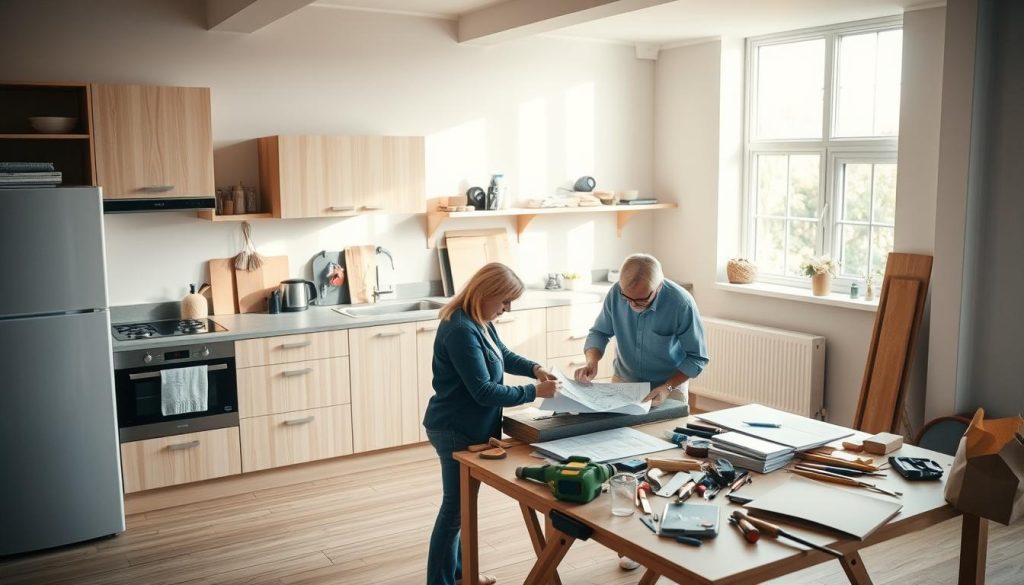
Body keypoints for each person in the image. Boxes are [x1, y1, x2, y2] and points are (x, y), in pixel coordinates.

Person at [423, 263, 559, 585]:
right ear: (486, 294)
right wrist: (535, 391)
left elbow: (504, 354)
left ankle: (460, 576)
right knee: (454, 511)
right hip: (454, 428)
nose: (507, 308)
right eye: (505, 301)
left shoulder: (479, 321)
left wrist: (535, 368)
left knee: (460, 510)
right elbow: (484, 391)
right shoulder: (459, 329)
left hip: (469, 426)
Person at [573, 253, 710, 571]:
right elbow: (599, 333)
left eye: (642, 299)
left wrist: (667, 387)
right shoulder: (616, 294)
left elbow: (696, 357)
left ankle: (674, 530)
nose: (633, 304)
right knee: (624, 463)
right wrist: (593, 360)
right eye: (628, 298)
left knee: (669, 466)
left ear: (659, 286)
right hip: (624, 382)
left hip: (669, 387)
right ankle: (632, 543)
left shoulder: (681, 303)